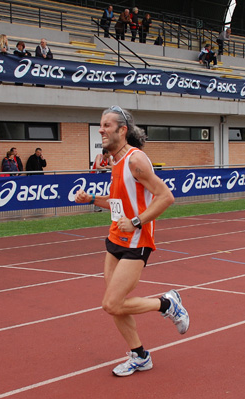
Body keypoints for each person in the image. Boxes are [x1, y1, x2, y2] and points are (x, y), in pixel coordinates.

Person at [74, 105, 188, 377]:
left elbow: (166, 197)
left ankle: (167, 303)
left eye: (107, 125)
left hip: (136, 240)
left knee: (111, 304)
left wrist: (137, 221)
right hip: (115, 238)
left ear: (122, 130)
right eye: (100, 125)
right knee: (115, 305)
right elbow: (118, 205)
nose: (101, 129)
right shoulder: (114, 161)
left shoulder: (137, 160)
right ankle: (139, 355)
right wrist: (91, 199)